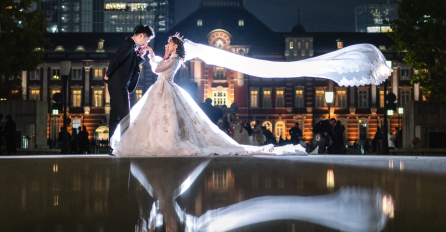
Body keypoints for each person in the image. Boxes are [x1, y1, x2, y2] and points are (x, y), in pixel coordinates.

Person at [111, 35, 305, 156]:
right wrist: (155, 54)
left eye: (170, 44)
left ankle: (165, 144)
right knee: (160, 119)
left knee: (165, 118)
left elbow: (157, 69)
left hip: (164, 89)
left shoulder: (176, 58)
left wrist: (152, 53)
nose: (168, 46)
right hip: (162, 88)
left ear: (175, 47)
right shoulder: (172, 57)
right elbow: (159, 67)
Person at [105, 25, 155, 143]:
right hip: (118, 84)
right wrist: (108, 74)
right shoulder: (128, 44)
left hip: (119, 84)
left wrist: (140, 55)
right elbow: (116, 59)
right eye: (147, 40)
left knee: (116, 115)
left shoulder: (131, 46)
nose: (146, 43)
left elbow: (130, 65)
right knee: (125, 115)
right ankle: (124, 144)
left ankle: (113, 145)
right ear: (141, 35)